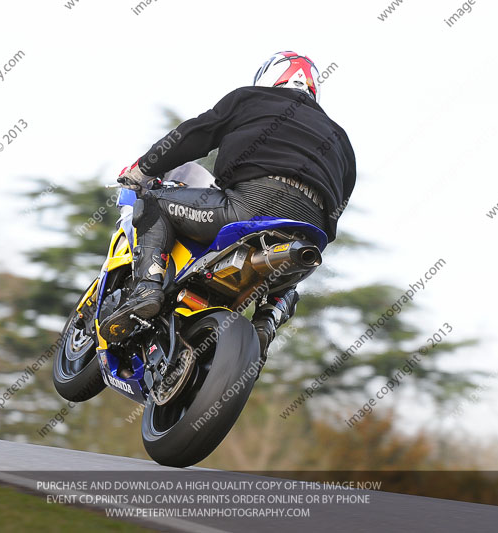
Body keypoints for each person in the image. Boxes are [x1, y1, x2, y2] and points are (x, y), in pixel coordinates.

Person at [99, 51, 357, 367]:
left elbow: (192, 135)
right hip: (308, 235)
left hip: (249, 207)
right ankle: (268, 319)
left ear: (269, 77)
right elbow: (337, 210)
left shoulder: (253, 99)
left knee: (153, 204)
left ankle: (147, 288)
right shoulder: (340, 137)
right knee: (289, 278)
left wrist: (143, 169)